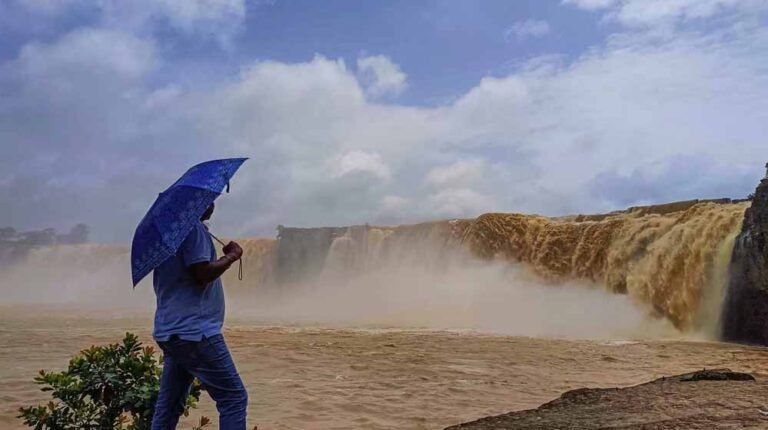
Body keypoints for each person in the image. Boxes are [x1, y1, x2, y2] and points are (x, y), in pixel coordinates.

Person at [151, 202, 247, 430]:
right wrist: (232, 256)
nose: (212, 203)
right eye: (207, 199)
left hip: (170, 331)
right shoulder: (193, 229)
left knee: (169, 407)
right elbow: (202, 273)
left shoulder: (170, 234)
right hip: (196, 332)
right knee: (233, 398)